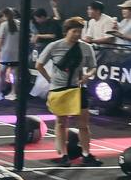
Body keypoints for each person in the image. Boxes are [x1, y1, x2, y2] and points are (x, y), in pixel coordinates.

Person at [36, 17, 100, 167]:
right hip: (59, 89)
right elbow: (39, 64)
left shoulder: (86, 47)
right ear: (66, 31)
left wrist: (87, 75)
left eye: (79, 31)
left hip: (77, 88)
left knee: (83, 123)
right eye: (74, 31)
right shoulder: (54, 46)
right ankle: (63, 155)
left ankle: (86, 154)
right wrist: (50, 79)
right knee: (61, 123)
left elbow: (93, 66)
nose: (77, 34)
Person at [0, 8, 20, 102]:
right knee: (14, 73)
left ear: (4, 15)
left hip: (6, 52)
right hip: (16, 53)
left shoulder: (4, 25)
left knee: (0, 73)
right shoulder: (19, 24)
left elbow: (0, 40)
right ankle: (13, 93)